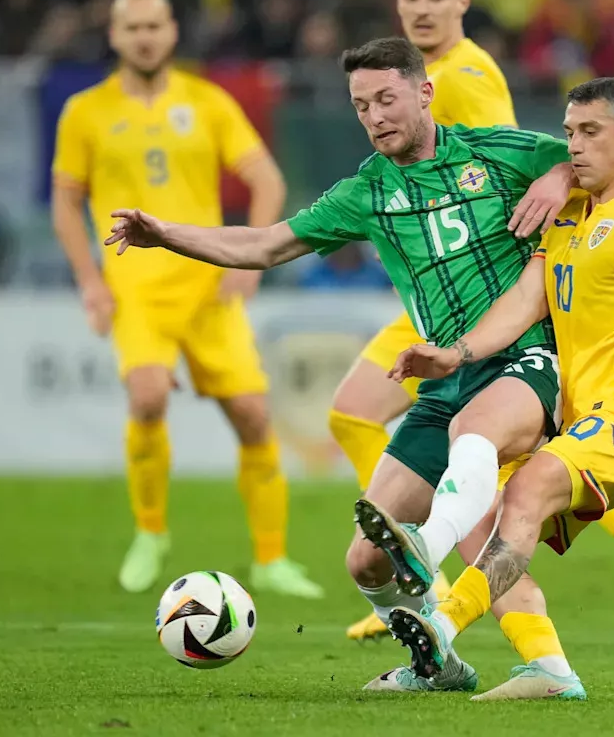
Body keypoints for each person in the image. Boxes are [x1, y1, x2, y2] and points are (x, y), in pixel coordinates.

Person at [107, 35, 577, 693]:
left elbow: (601, 156)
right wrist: (166, 236)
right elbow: (264, 245)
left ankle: (448, 567)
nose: (376, 115)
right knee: (364, 561)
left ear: (424, 92)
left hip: (524, 357)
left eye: (387, 98)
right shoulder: (367, 192)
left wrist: (560, 173)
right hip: (445, 379)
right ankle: (438, 666)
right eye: (361, 106)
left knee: (475, 456)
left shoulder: (498, 152)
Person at [337, 0, 614, 655]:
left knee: (507, 463)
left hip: (477, 275)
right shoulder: (410, 74)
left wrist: (555, 180)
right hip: (454, 293)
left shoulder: (466, 76)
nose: (420, 8)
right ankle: (417, 569)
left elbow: (516, 160)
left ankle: (426, 570)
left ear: (462, 2)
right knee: (431, 443)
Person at [374, 77, 614, 701]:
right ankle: (550, 670)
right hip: (578, 417)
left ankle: (440, 624)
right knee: (482, 520)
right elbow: (520, 305)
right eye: (568, 132)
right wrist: (452, 355)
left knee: (528, 488)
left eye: (590, 132)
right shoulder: (567, 214)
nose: (574, 147)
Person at [51, 0, 323, 599]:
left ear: (172, 32)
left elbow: (268, 181)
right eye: (133, 27)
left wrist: (244, 263)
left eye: (155, 26)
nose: (145, 37)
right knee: (147, 397)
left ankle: (272, 559)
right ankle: (150, 533)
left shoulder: (208, 102)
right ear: (115, 35)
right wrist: (90, 282)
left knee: (254, 416)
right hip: (135, 290)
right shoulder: (86, 111)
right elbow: (66, 204)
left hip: (208, 288)